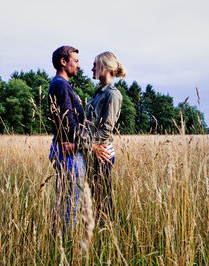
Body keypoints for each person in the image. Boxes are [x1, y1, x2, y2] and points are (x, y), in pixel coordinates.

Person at [82, 51, 125, 222]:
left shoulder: (113, 94)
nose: (92, 68)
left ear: (105, 67)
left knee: (104, 198)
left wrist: (84, 143)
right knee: (96, 196)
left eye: (95, 64)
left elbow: (107, 130)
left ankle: (109, 232)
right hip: (93, 150)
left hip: (103, 153)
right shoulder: (99, 92)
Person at [48, 45, 85, 228]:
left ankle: (57, 244)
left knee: (64, 202)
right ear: (64, 62)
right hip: (68, 151)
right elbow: (68, 123)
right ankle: (66, 250)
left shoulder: (60, 84)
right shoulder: (61, 85)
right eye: (76, 61)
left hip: (64, 149)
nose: (78, 65)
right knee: (70, 206)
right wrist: (85, 144)